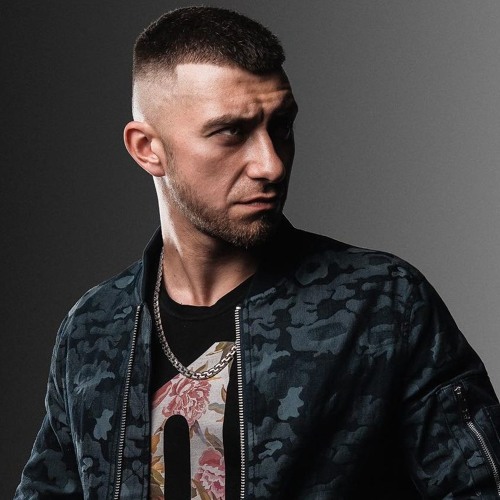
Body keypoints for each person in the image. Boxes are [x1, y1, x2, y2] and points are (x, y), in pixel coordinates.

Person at [15, 6, 500, 499]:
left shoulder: (382, 303)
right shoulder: (94, 328)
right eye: (231, 132)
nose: (271, 165)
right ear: (147, 148)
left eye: (281, 126)